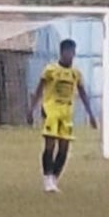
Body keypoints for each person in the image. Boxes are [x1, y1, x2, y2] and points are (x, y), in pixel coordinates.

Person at [28, 39, 97, 193]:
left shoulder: (75, 74)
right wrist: (31, 109)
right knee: (50, 145)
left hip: (66, 114)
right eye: (68, 52)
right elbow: (39, 90)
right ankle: (47, 178)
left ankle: (54, 179)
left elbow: (83, 93)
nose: (71, 55)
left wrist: (91, 114)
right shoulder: (50, 70)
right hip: (51, 111)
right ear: (62, 52)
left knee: (64, 149)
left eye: (73, 52)